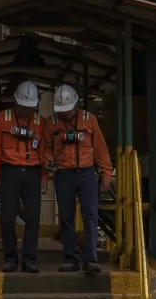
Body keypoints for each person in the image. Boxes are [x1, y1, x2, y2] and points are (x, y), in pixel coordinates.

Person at [48, 83, 112, 275]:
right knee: (66, 217)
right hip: (63, 174)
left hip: (86, 173)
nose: (65, 113)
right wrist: (48, 160)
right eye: (62, 110)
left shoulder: (89, 120)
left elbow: (100, 148)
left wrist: (106, 173)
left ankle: (90, 259)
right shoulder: (52, 122)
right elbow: (46, 148)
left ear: (75, 105)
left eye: (67, 110)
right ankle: (71, 259)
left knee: (90, 215)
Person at [0, 81, 45, 274]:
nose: (27, 110)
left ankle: (29, 260)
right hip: (9, 171)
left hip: (32, 173)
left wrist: (44, 176)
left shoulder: (40, 122)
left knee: (33, 218)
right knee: (7, 218)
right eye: (24, 106)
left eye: (30, 106)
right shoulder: (3, 119)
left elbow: (44, 150)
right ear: (16, 101)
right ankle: (10, 259)